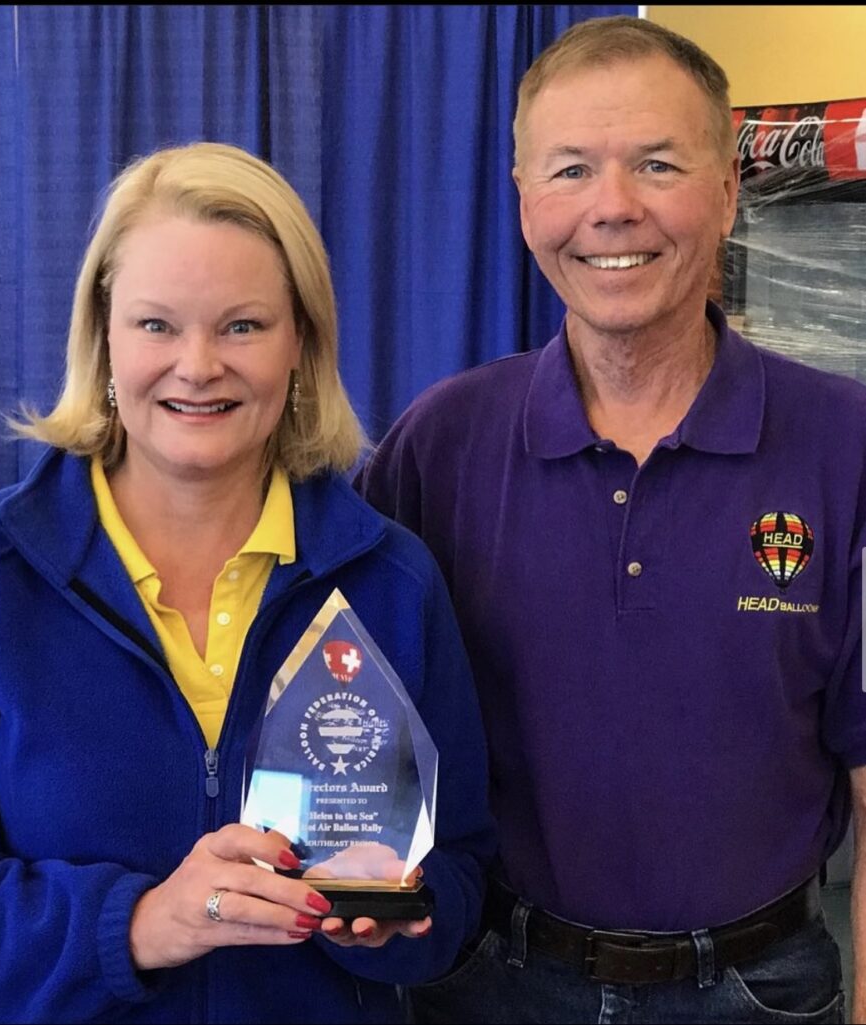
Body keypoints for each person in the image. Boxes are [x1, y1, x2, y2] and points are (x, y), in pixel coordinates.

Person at [0, 142, 495, 1024]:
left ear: (301, 342)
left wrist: (397, 920)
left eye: (242, 326)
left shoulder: (391, 580)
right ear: (103, 337)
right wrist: (139, 924)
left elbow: (461, 869)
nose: (198, 365)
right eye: (156, 325)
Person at [357, 15, 866, 1025]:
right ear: (524, 201)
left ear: (728, 190)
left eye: (658, 164)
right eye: (572, 170)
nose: (613, 207)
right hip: (490, 986)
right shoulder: (437, 446)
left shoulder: (845, 445)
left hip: (761, 991)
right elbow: (348, 728)